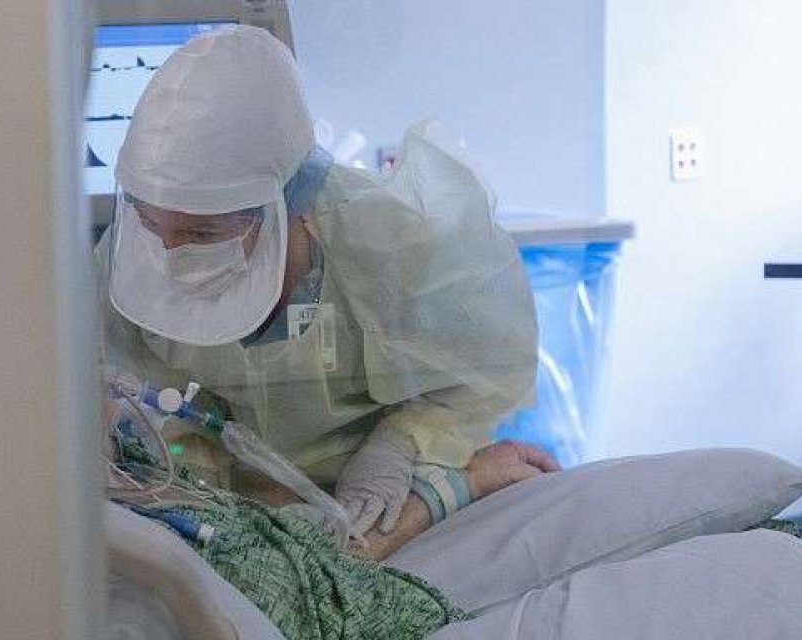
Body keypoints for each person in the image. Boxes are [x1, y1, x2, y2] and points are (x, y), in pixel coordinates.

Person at [98, 24, 543, 540]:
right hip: (243, 508)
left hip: (395, 493)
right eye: (152, 223)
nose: (172, 255)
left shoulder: (401, 251)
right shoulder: (132, 260)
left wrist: (403, 443)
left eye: (203, 232)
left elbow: (484, 376)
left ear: (293, 200)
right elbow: (131, 400)